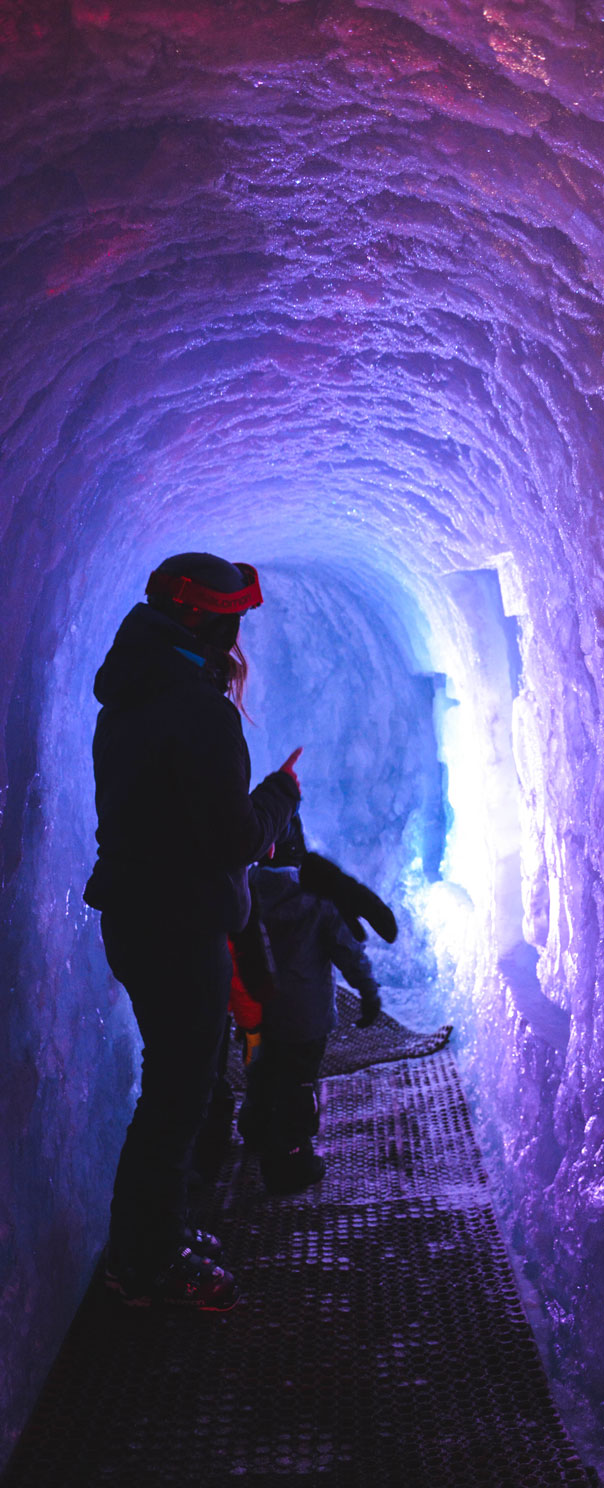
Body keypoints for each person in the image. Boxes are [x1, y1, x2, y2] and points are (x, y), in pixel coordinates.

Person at [84, 552, 301, 1310]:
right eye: (231, 618)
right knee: (175, 1102)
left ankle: (154, 1239)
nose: (237, 634)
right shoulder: (199, 710)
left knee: (177, 1090)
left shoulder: (132, 692)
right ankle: (145, 1265)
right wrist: (280, 796)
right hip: (180, 929)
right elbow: (234, 836)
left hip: (139, 919)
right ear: (199, 618)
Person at [233, 812, 396, 1195]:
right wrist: (368, 992)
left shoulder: (248, 886)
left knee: (262, 1070)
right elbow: (347, 950)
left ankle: (255, 1129)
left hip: (259, 1011)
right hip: (306, 1018)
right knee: (298, 1085)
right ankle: (290, 1159)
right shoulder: (320, 895)